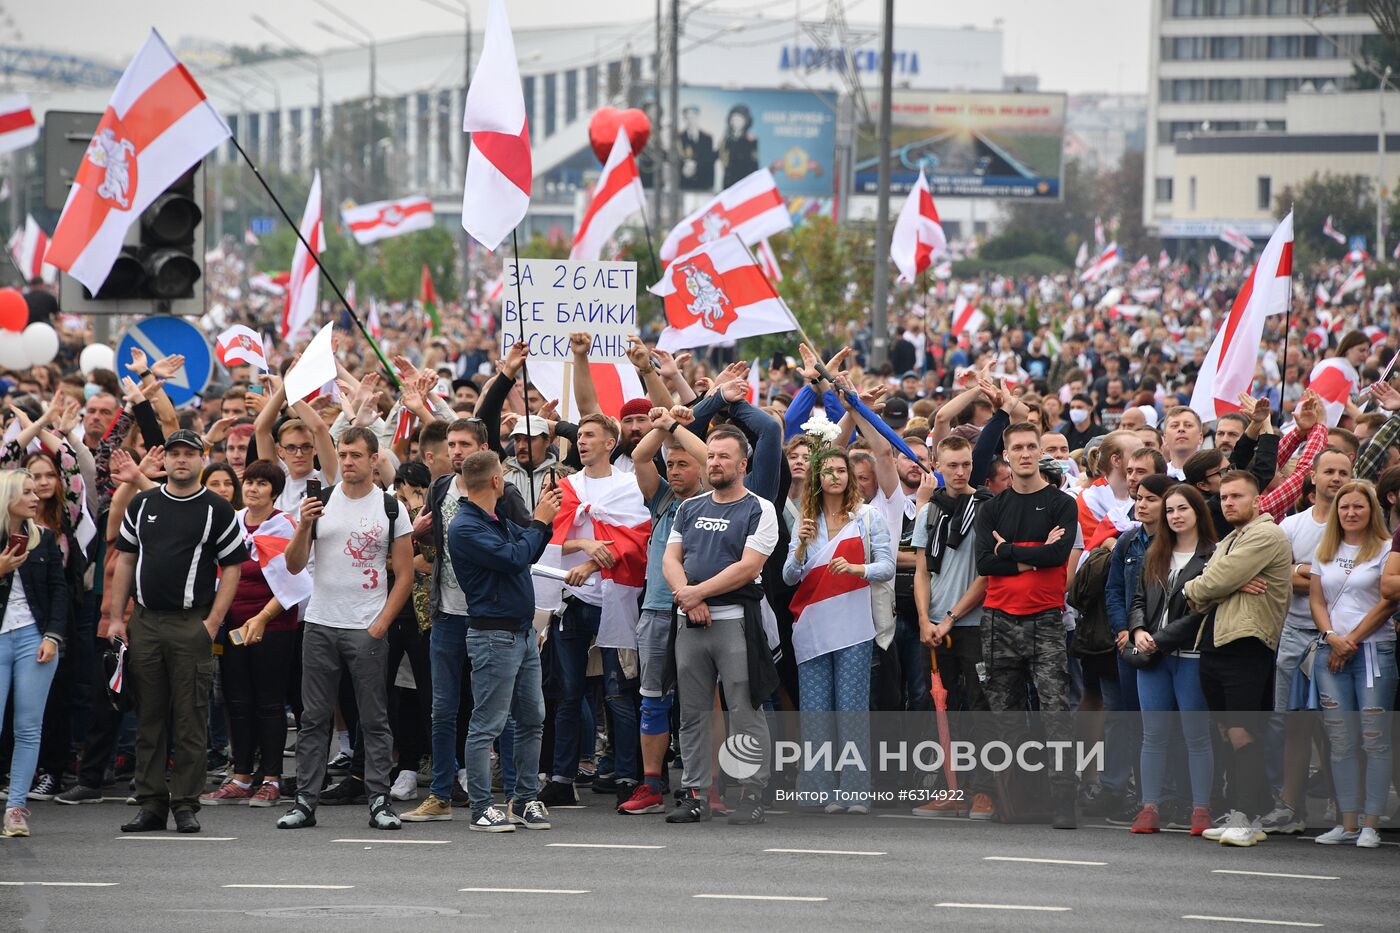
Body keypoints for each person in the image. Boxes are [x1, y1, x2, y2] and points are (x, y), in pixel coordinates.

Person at [107, 429, 247, 835]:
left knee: (191, 718)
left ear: (202, 458)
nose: (181, 460)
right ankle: (151, 803)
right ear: (164, 460)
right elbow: (125, 561)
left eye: (189, 453)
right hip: (146, 622)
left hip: (193, 623)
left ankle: (185, 803)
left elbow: (234, 565)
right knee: (148, 717)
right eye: (175, 453)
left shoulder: (216, 508)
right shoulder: (142, 503)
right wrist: (118, 617)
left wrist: (214, 623)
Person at [277, 427, 413, 832]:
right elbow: (294, 565)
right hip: (320, 623)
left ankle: (379, 800)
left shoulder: (391, 508)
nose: (348, 461)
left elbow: (404, 576)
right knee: (314, 718)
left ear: (374, 459)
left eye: (356, 455)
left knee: (373, 719)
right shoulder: (320, 500)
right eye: (343, 454)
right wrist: (303, 526)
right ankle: (305, 800)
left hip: (366, 626)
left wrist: (380, 625)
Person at [663, 426, 779, 825]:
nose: (714, 463)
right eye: (710, 456)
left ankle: (751, 793)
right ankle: (695, 792)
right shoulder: (689, 508)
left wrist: (698, 594)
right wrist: (686, 595)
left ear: (742, 464)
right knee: (692, 712)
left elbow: (748, 567)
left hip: (735, 622)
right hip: (689, 622)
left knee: (745, 711)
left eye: (723, 457)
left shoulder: (759, 508)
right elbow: (670, 560)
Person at [447, 450, 561, 831]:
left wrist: (542, 522)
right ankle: (481, 806)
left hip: (523, 633)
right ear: (496, 481)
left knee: (533, 719)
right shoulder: (465, 526)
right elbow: (515, 558)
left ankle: (525, 799)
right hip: (493, 635)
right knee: (488, 724)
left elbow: (528, 551)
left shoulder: (494, 520)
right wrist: (540, 521)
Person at [538, 413, 648, 808]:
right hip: (573, 603)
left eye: (590, 436)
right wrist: (584, 548)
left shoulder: (630, 487)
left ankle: (626, 775)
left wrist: (595, 564)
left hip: (616, 600)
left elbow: (638, 541)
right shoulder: (565, 487)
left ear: (609, 442)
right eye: (579, 435)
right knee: (567, 695)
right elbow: (547, 538)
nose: (581, 441)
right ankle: (561, 778)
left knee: (619, 694)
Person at [974, 420, 1079, 828]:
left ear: (1040, 452)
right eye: (1016, 447)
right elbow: (984, 563)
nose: (1024, 454)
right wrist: (1032, 552)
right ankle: (1015, 799)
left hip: (1046, 620)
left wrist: (1009, 551)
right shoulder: (992, 507)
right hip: (999, 620)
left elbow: (1058, 557)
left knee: (1055, 713)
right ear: (1006, 454)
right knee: (1006, 717)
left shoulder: (1062, 504)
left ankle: (1063, 801)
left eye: (1031, 447)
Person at [1184, 470, 1292, 848]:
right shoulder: (1230, 538)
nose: (1229, 503)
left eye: (1237, 497)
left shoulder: (1265, 533)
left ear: (1258, 500)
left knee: (1244, 733)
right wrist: (1220, 584)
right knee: (1228, 733)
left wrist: (1216, 584)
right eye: (1225, 497)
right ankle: (1252, 812)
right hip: (1216, 640)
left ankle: (1246, 817)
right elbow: (1202, 589)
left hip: (1246, 644)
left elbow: (1203, 584)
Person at [783, 447, 894, 812]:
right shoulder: (805, 517)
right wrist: (800, 544)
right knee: (816, 711)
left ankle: (855, 789)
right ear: (818, 478)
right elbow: (789, 577)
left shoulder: (867, 517)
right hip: (813, 626)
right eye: (827, 471)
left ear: (849, 476)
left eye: (841, 471)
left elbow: (887, 567)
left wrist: (857, 569)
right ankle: (818, 787)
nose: (835, 477)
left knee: (851, 710)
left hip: (854, 626)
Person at [198, 459, 306, 809]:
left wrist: (261, 618)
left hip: (273, 625)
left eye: (262, 484)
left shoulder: (284, 526)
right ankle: (242, 776)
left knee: (269, 703)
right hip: (232, 627)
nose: (253, 488)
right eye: (250, 482)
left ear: (274, 492)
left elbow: (295, 581)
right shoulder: (232, 523)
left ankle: (271, 778)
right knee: (236, 700)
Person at [622, 406, 710, 815]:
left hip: (699, 611)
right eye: (670, 464)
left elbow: (711, 457)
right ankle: (652, 784)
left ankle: (707, 785)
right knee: (653, 699)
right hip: (657, 610)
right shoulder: (660, 500)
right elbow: (641, 457)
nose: (674, 471)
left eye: (681, 464)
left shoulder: (714, 499)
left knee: (702, 704)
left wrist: (674, 426)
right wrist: (660, 426)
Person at [1266, 447, 1352, 835]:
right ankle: (1290, 806)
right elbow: (1279, 577)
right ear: (1313, 477)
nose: (1336, 478)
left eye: (1343, 471)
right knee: (1292, 723)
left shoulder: (1360, 526)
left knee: (1338, 728)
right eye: (1329, 471)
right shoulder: (1291, 526)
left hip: (1345, 639)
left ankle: (1344, 806)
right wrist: (1319, 575)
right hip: (1294, 634)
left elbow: (1356, 584)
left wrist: (1304, 572)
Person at [1308, 481, 1396, 849]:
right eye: (1345, 507)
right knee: (1340, 740)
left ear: (1372, 510)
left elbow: (1388, 602)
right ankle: (1346, 822)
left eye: (1359, 507)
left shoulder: (1388, 548)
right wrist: (1331, 636)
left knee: (1375, 739)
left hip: (1374, 651)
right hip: (1331, 654)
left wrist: (1352, 640)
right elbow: (1316, 600)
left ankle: (1371, 824)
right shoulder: (1324, 549)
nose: (1351, 513)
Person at [911, 435, 994, 819]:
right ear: (937, 467)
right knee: (942, 708)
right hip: (935, 627)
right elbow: (922, 570)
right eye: (951, 466)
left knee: (980, 707)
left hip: (972, 624)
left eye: (965, 465)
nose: (959, 473)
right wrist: (925, 618)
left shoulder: (988, 507)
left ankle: (984, 791)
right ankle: (951, 788)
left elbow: (986, 577)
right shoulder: (930, 510)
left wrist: (949, 619)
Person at [1127, 481, 1217, 836]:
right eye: (1170, 510)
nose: (1176, 516)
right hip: (1151, 658)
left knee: (1197, 736)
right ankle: (1148, 808)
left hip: (1191, 656)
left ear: (1197, 512)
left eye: (1183, 508)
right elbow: (1137, 600)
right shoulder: (1156, 552)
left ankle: (1201, 811)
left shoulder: (1214, 554)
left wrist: (1159, 640)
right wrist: (1137, 632)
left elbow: (1202, 611)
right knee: (1154, 735)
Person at [0, 470, 67, 838]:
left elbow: (60, 590)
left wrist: (53, 636)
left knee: (28, 726)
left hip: (33, 637)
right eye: (25, 492)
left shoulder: (43, 538)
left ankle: (15, 810)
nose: (34, 497)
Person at [717, 104, 759, 188]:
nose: (736, 122)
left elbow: (754, 164)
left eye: (739, 119)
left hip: (744, 181)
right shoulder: (726, 140)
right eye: (734, 119)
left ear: (745, 121)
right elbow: (720, 156)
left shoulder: (751, 140)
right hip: (729, 182)